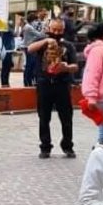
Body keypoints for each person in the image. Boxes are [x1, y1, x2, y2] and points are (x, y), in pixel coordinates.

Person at [28, 19, 78, 159]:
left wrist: (66, 68)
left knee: (66, 118)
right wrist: (46, 41)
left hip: (62, 84)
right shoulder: (42, 43)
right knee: (44, 117)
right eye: (53, 29)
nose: (56, 33)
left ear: (63, 30)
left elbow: (76, 66)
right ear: (48, 29)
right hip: (44, 84)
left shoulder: (68, 45)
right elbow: (30, 49)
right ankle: (45, 147)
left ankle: (67, 146)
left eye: (59, 30)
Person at [21, 11, 45, 87]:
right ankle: (27, 81)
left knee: (31, 65)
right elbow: (39, 35)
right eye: (35, 20)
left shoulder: (28, 26)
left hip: (29, 46)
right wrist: (44, 29)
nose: (36, 22)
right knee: (29, 65)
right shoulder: (29, 27)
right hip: (29, 47)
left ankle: (28, 81)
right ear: (33, 20)